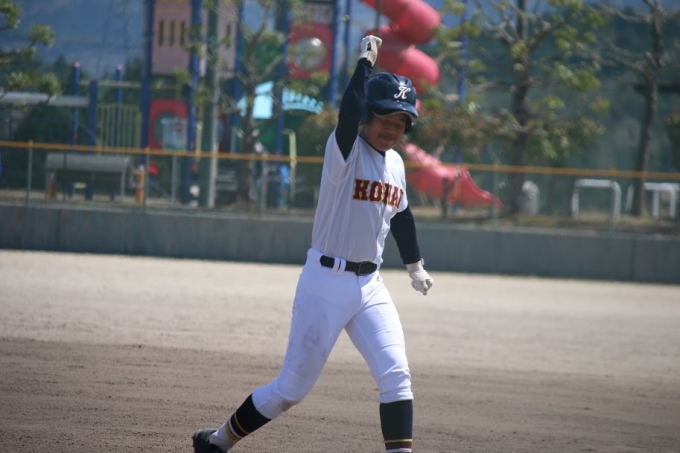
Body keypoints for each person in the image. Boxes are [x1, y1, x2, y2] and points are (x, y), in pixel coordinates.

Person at [192, 35, 434, 453]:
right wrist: (364, 65)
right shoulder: (345, 152)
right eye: (384, 117)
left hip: (371, 286)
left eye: (401, 120)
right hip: (326, 281)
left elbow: (402, 216)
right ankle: (218, 441)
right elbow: (347, 115)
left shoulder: (395, 163)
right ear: (367, 116)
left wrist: (415, 266)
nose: (392, 128)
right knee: (290, 390)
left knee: (397, 376)